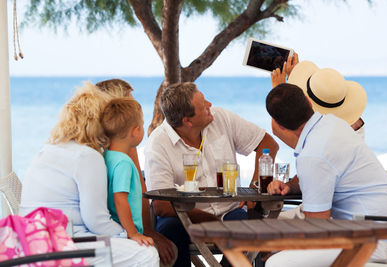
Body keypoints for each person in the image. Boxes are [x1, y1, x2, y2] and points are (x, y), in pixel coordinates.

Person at [19, 83, 159, 266]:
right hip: (61, 242)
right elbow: (97, 221)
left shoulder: (50, 149)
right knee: (145, 254)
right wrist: (129, 234)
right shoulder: (86, 157)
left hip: (32, 239)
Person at [264, 83, 387, 266]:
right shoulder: (333, 124)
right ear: (309, 102)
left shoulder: (313, 154)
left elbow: (317, 229)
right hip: (383, 234)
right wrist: (291, 186)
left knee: (277, 263)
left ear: (279, 125)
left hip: (372, 243)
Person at [144, 82, 279, 266]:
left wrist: (253, 188)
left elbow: (268, 143)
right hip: (184, 218)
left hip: (230, 211)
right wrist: (209, 220)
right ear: (187, 121)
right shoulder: (158, 143)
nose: (210, 105)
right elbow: (161, 206)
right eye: (203, 106)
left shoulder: (221, 118)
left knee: (248, 233)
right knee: (169, 232)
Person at [96, 79, 177, 266]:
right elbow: (121, 198)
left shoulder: (113, 150)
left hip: (122, 231)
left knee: (170, 245)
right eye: (129, 102)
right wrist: (136, 233)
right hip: (117, 235)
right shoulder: (115, 153)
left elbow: (138, 191)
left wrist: (149, 231)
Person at [101, 97, 154, 247]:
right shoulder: (123, 162)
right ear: (135, 131)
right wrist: (132, 233)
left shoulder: (106, 156)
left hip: (116, 230)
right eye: (142, 125)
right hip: (124, 233)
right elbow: (120, 199)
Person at [271, 57, 366, 138]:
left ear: (308, 101)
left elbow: (278, 130)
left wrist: (279, 91)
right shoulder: (355, 126)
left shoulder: (321, 137)